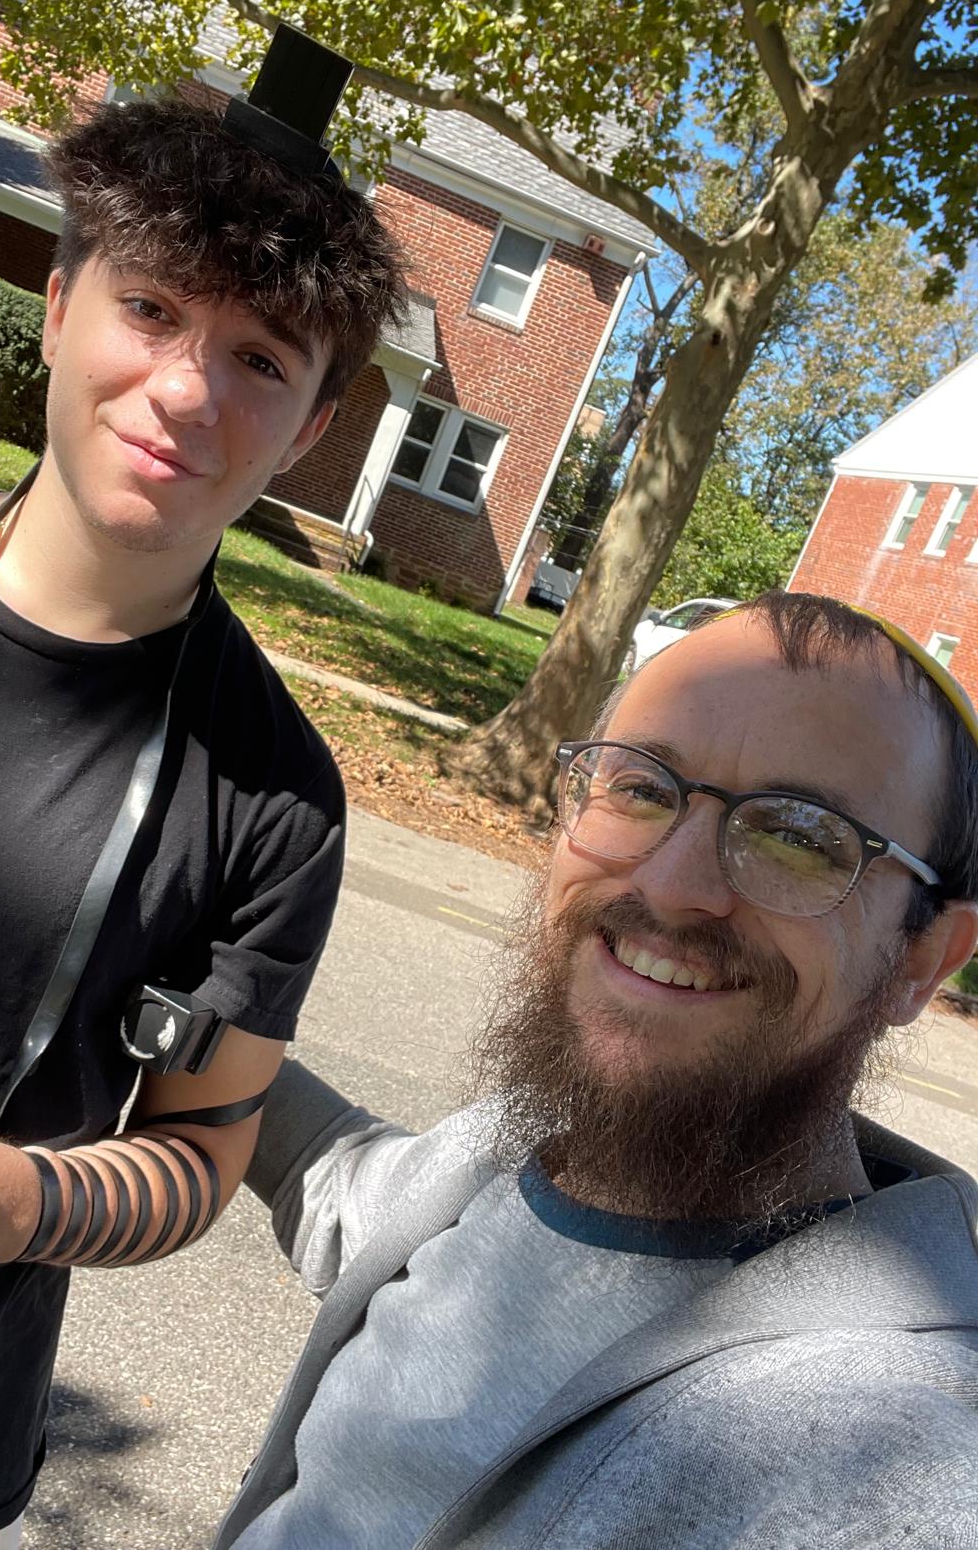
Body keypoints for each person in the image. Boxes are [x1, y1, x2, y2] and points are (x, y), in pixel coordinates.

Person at [0, 30, 406, 1550]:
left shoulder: (276, 801)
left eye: (262, 357)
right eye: (152, 307)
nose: (189, 387)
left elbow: (204, 1148)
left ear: (315, 426)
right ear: (57, 309)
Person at [218, 592, 978, 1550]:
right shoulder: (514, 1152)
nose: (669, 886)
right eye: (644, 787)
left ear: (923, 958)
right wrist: (183, 1016)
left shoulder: (883, 1445)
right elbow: (346, 1196)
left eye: (800, 835)